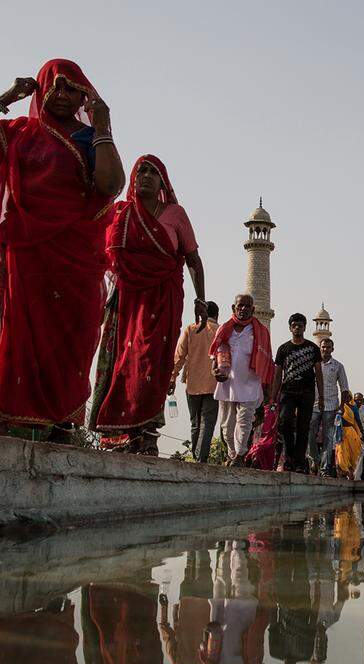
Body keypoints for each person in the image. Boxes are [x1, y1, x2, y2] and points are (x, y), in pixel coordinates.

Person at [0, 60, 125, 440]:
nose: (62, 95)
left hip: (73, 254)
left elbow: (111, 184)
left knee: (68, 338)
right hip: (20, 248)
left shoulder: (88, 138)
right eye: (55, 87)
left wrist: (103, 128)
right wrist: (6, 97)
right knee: (8, 330)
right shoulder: (18, 132)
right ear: (40, 91)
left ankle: (59, 419)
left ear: (85, 96)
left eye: (71, 89)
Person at [87, 155, 206, 454]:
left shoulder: (175, 214)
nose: (147, 177)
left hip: (162, 297)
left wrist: (200, 298)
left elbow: (192, 259)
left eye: (154, 172)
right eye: (142, 171)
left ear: (163, 182)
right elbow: (104, 259)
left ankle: (148, 432)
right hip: (126, 299)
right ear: (133, 178)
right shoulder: (121, 213)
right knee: (123, 363)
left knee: (152, 361)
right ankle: (126, 435)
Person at [210, 294, 274, 464]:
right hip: (228, 383)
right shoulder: (224, 329)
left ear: (253, 309)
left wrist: (267, 389)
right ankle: (233, 454)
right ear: (233, 308)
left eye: (247, 306)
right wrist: (215, 370)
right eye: (240, 306)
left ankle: (240, 455)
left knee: (244, 421)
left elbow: (267, 360)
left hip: (250, 383)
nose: (243, 309)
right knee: (226, 426)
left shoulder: (260, 332)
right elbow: (215, 354)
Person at [269, 313, 324, 472]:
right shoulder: (284, 349)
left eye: (300, 324)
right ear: (290, 327)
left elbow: (318, 373)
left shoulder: (313, 348)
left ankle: (299, 462)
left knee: (303, 427)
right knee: (285, 423)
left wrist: (321, 397)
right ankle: (289, 457)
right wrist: (273, 397)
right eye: (294, 324)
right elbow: (278, 374)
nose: (297, 327)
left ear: (305, 327)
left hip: (307, 391)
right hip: (288, 391)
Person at [171, 301, 220, 462]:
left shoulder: (191, 329)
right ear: (216, 315)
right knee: (207, 423)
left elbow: (179, 356)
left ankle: (196, 455)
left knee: (195, 423)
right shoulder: (220, 331)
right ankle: (201, 458)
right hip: (214, 384)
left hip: (192, 383)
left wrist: (173, 377)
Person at [309, 337, 348, 475]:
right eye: (323, 347)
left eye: (328, 347)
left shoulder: (338, 366)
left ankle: (325, 468)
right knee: (309, 434)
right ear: (320, 348)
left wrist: (342, 406)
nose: (325, 349)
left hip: (331, 406)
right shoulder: (314, 365)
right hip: (314, 405)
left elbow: (344, 388)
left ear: (332, 349)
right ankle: (315, 458)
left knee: (328, 437)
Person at [332, 390, 364, 480]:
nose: (346, 398)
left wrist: (363, 434)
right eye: (344, 396)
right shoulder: (339, 407)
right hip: (341, 433)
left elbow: (358, 422)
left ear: (350, 398)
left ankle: (350, 473)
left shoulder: (353, 408)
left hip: (351, 433)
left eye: (347, 396)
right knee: (341, 453)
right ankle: (343, 473)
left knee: (352, 454)